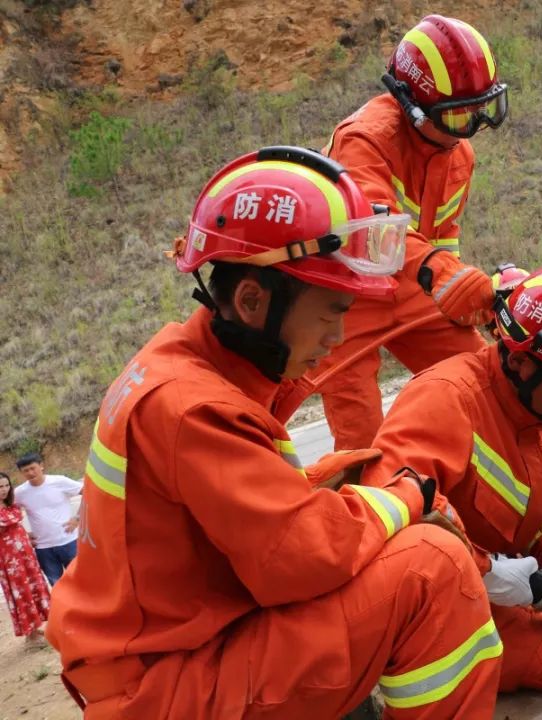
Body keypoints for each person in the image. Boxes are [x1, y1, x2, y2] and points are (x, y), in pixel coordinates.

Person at [46, 147, 501, 719]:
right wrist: (409, 495)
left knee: (347, 488)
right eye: (331, 311)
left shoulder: (177, 362)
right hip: (166, 688)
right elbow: (301, 560)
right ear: (253, 300)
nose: (338, 336)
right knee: (430, 568)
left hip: (156, 657)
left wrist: (346, 485)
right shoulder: (195, 408)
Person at [364, 263, 542, 720]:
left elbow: (533, 512)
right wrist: (488, 571)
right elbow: (392, 507)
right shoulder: (445, 400)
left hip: (502, 597)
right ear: (519, 360)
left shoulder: (535, 418)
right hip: (448, 617)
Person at [308, 14, 509, 450]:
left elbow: (444, 239)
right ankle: (377, 508)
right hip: (345, 296)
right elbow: (374, 232)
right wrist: (441, 272)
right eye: (459, 115)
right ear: (410, 104)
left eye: (480, 109)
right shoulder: (364, 139)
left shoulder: (459, 156)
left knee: (486, 384)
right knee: (361, 432)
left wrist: (463, 296)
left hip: (411, 284)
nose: (471, 126)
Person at [13, 452, 81, 585]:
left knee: (80, 581)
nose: (31, 473)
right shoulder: (20, 493)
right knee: (56, 584)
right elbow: (7, 512)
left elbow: (89, 493)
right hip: (43, 547)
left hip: (69, 541)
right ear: (21, 473)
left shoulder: (59, 481)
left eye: (33, 468)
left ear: (41, 465)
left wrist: (77, 518)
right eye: (26, 471)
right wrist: (24, 534)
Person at [0, 471, 50, 644]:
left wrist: (25, 535)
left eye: (6, 485)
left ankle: (35, 628)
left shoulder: (9, 505)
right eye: (0, 486)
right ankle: (31, 633)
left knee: (32, 587)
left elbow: (14, 528)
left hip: (25, 556)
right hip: (9, 561)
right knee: (21, 592)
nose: (4, 490)